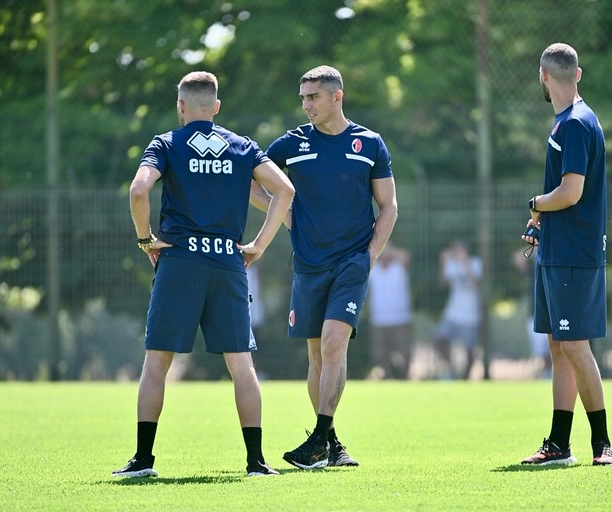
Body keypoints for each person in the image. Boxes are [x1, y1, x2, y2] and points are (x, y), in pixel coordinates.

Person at [111, 71, 294, 478]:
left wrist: (146, 240)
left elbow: (138, 191)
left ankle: (143, 461)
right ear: (216, 107)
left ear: (180, 107)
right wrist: (259, 246)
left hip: (179, 261)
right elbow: (285, 190)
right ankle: (256, 463)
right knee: (241, 365)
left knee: (156, 363)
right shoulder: (242, 147)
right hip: (228, 262)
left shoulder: (166, 144)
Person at [251, 65, 398, 469]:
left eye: (313, 97)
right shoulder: (290, 144)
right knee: (316, 357)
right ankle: (329, 444)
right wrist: (283, 213)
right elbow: (252, 177)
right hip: (308, 264)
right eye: (303, 98)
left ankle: (317, 439)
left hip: (352, 262)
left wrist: (369, 257)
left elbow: (389, 207)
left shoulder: (369, 144)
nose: (306, 105)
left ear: (337, 96)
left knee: (334, 343)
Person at [520, 43, 612, 466]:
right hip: (559, 251)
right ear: (577, 73)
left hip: (574, 256)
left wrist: (535, 205)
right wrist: (540, 222)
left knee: (575, 347)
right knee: (560, 347)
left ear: (543, 75)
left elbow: (571, 193)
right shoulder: (565, 122)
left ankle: (603, 445)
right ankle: (559, 445)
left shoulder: (575, 123)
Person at [433, 240, 482, 380]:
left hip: (470, 315)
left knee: (469, 350)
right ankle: (452, 370)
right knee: (439, 340)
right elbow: (442, 284)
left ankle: (466, 378)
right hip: (453, 313)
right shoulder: (451, 265)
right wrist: (443, 263)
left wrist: (465, 264)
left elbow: (476, 284)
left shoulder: (475, 263)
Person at [367, 241, 413, 380]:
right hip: (379, 320)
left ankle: (405, 378)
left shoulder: (399, 266)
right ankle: (387, 378)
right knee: (380, 354)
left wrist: (384, 243)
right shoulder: (373, 269)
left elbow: (405, 256)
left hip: (401, 319)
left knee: (405, 353)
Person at [511, 247, 551, 378]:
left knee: (556, 348)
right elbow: (517, 258)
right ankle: (547, 374)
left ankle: (551, 374)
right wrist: (536, 246)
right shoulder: (535, 269)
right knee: (542, 351)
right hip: (536, 313)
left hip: (553, 312)